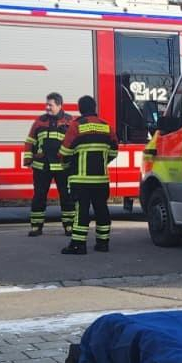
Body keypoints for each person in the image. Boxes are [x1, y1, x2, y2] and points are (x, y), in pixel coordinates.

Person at [61, 95, 115, 255]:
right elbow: (113, 151)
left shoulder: (76, 125)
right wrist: (102, 163)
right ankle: (103, 243)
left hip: (80, 179)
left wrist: (67, 165)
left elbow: (64, 151)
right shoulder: (106, 126)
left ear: (80, 109)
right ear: (95, 107)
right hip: (101, 179)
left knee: (81, 211)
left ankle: (78, 245)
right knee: (102, 209)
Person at [22, 92, 73, 236]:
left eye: (50, 105)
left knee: (66, 197)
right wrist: (28, 160)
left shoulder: (70, 121)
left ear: (59, 105)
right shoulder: (39, 121)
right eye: (47, 104)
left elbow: (74, 143)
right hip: (41, 166)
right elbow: (30, 141)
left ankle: (69, 226)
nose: (47, 108)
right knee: (39, 197)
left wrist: (72, 162)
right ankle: (36, 227)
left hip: (62, 167)